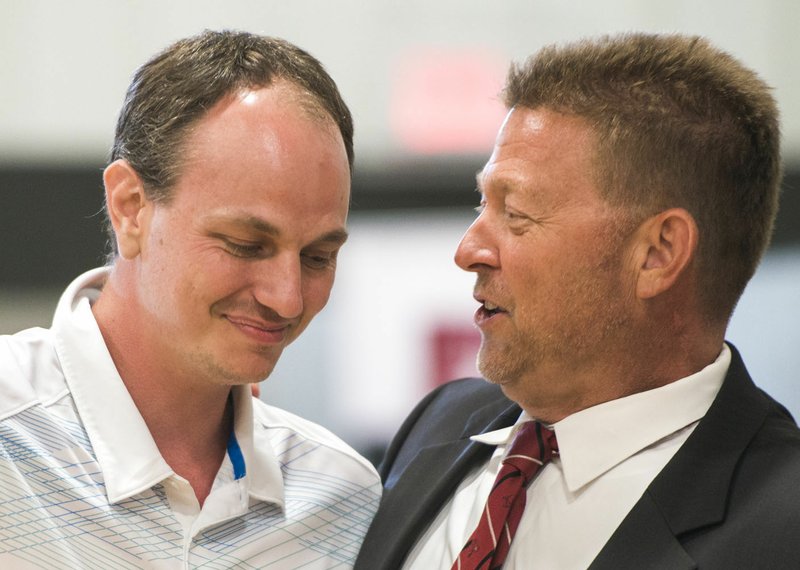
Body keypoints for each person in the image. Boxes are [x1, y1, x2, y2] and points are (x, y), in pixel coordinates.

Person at [355, 32, 800, 570]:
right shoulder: (438, 424)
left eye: (515, 213)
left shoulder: (781, 523)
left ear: (657, 253)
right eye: (482, 203)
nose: (468, 249)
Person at [0, 30, 380, 568]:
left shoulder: (343, 499)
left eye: (318, 257)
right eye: (246, 245)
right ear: (131, 207)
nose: (288, 299)